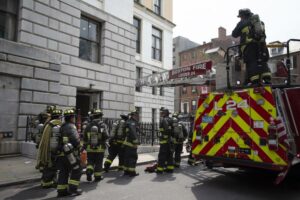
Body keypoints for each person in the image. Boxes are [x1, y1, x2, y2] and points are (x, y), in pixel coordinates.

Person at [232, 8, 271, 86]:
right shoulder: (260, 23)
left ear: (242, 16)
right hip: (262, 46)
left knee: (251, 63)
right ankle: (267, 79)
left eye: (240, 17)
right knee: (262, 61)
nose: (240, 18)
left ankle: (255, 82)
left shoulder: (242, 23)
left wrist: (240, 24)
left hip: (249, 47)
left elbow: (234, 34)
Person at [56, 109, 82, 197]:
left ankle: (61, 191)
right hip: (70, 154)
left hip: (62, 154)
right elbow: (75, 140)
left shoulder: (62, 126)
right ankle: (73, 190)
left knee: (63, 172)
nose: (74, 118)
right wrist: (79, 146)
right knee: (77, 169)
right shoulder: (71, 126)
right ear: (71, 118)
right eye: (74, 117)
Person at [36, 108, 62, 188]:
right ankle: (47, 182)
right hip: (53, 149)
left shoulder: (47, 124)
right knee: (52, 166)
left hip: (46, 148)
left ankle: (49, 180)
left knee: (48, 165)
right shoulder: (57, 124)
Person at [82, 109, 108, 182]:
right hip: (100, 148)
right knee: (98, 163)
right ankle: (97, 177)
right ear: (100, 116)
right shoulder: (102, 125)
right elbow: (106, 136)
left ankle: (89, 171)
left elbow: (84, 137)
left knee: (90, 161)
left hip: (90, 148)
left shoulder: (88, 125)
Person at [156, 107, 174, 174]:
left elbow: (166, 129)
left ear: (165, 113)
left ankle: (159, 170)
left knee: (162, 155)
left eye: (162, 112)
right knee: (169, 155)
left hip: (164, 141)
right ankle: (170, 169)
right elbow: (173, 131)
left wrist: (163, 135)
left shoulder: (163, 119)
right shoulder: (171, 119)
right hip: (170, 141)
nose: (161, 113)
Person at [123, 110, 140, 177]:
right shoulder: (132, 123)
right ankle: (132, 172)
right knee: (133, 157)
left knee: (127, 157)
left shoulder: (128, 121)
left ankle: (126, 171)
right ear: (133, 115)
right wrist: (136, 142)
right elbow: (133, 133)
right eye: (136, 115)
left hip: (127, 143)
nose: (137, 116)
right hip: (131, 144)